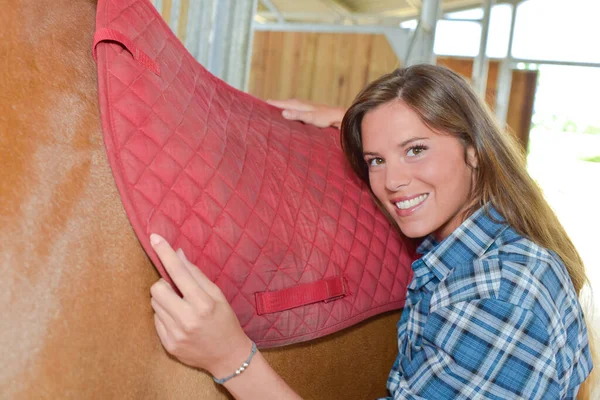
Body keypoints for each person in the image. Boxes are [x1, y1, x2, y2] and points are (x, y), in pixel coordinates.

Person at [148, 64, 593, 399]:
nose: (391, 181)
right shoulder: (484, 244)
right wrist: (365, 127)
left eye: (416, 150)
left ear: (474, 151)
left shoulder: (501, 292)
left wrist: (230, 358)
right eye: (377, 160)